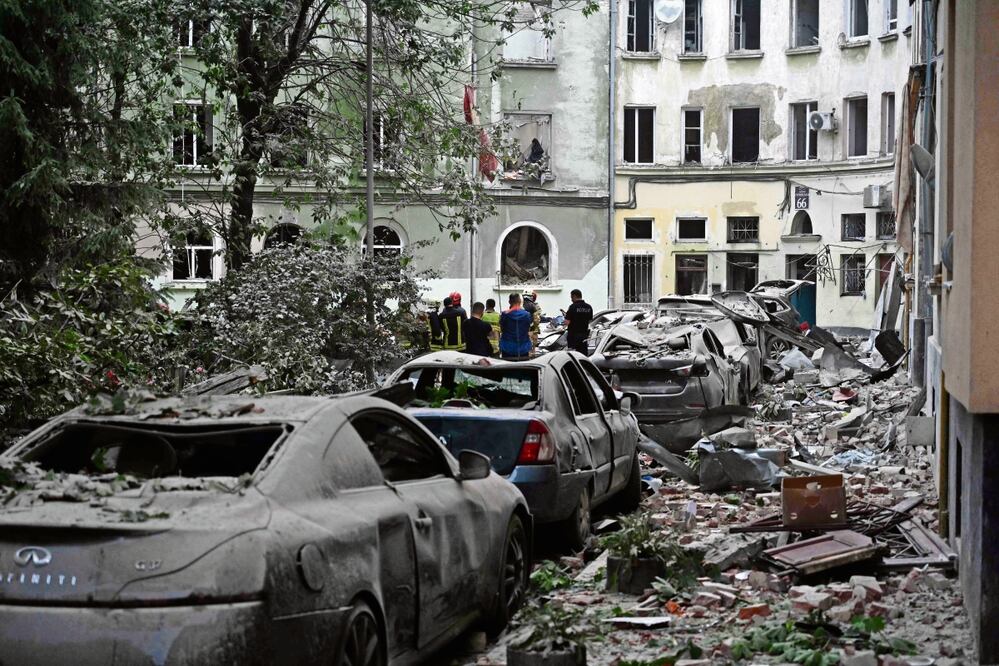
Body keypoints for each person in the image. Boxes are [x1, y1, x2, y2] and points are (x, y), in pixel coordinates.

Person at [499, 293, 533, 360]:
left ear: (509, 302)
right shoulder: (527, 315)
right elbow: (528, 328)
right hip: (523, 348)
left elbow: (502, 328)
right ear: (520, 301)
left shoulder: (505, 314)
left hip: (507, 347)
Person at [564, 288, 593, 355]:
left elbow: (567, 322)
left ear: (574, 296)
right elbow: (590, 320)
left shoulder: (572, 307)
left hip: (573, 336)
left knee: (573, 355)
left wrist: (566, 317)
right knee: (583, 354)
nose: (571, 299)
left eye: (571, 297)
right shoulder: (589, 307)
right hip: (584, 335)